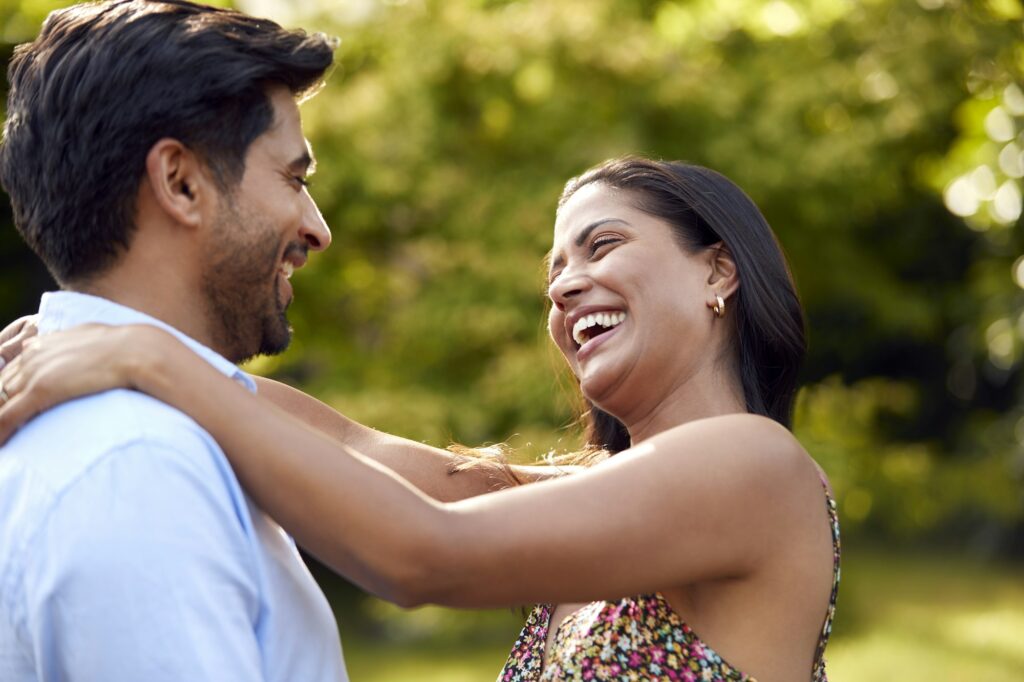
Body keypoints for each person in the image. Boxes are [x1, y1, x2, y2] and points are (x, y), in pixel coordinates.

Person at [0, 157, 841, 681]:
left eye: (602, 245)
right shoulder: (622, 496)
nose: (563, 284)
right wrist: (109, 333)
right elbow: (364, 449)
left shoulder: (754, 467)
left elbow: (425, 553)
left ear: (718, 272)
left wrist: (152, 363)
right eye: (555, 267)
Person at [0, 1, 350, 679]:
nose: (317, 228)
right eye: (294, 178)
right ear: (181, 183)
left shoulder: (140, 431)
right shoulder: (135, 465)